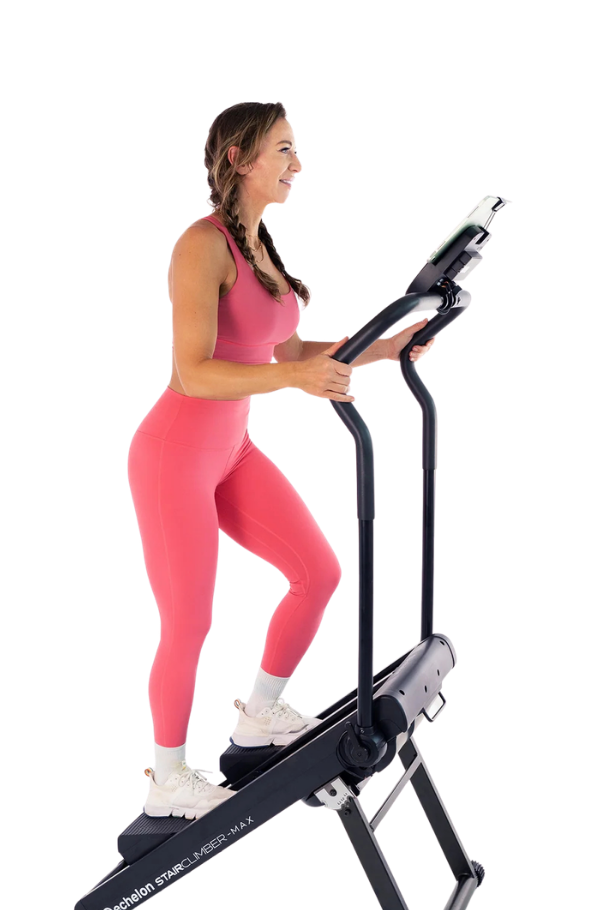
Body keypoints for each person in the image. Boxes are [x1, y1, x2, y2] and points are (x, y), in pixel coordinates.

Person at [127, 102, 433, 820]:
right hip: (175, 454)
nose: (298, 164)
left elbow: (288, 352)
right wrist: (293, 377)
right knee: (189, 622)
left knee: (318, 571)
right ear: (239, 158)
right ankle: (167, 778)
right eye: (285, 150)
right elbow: (193, 372)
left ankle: (260, 713)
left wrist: (386, 348)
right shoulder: (201, 244)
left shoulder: (262, 246)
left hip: (231, 448)